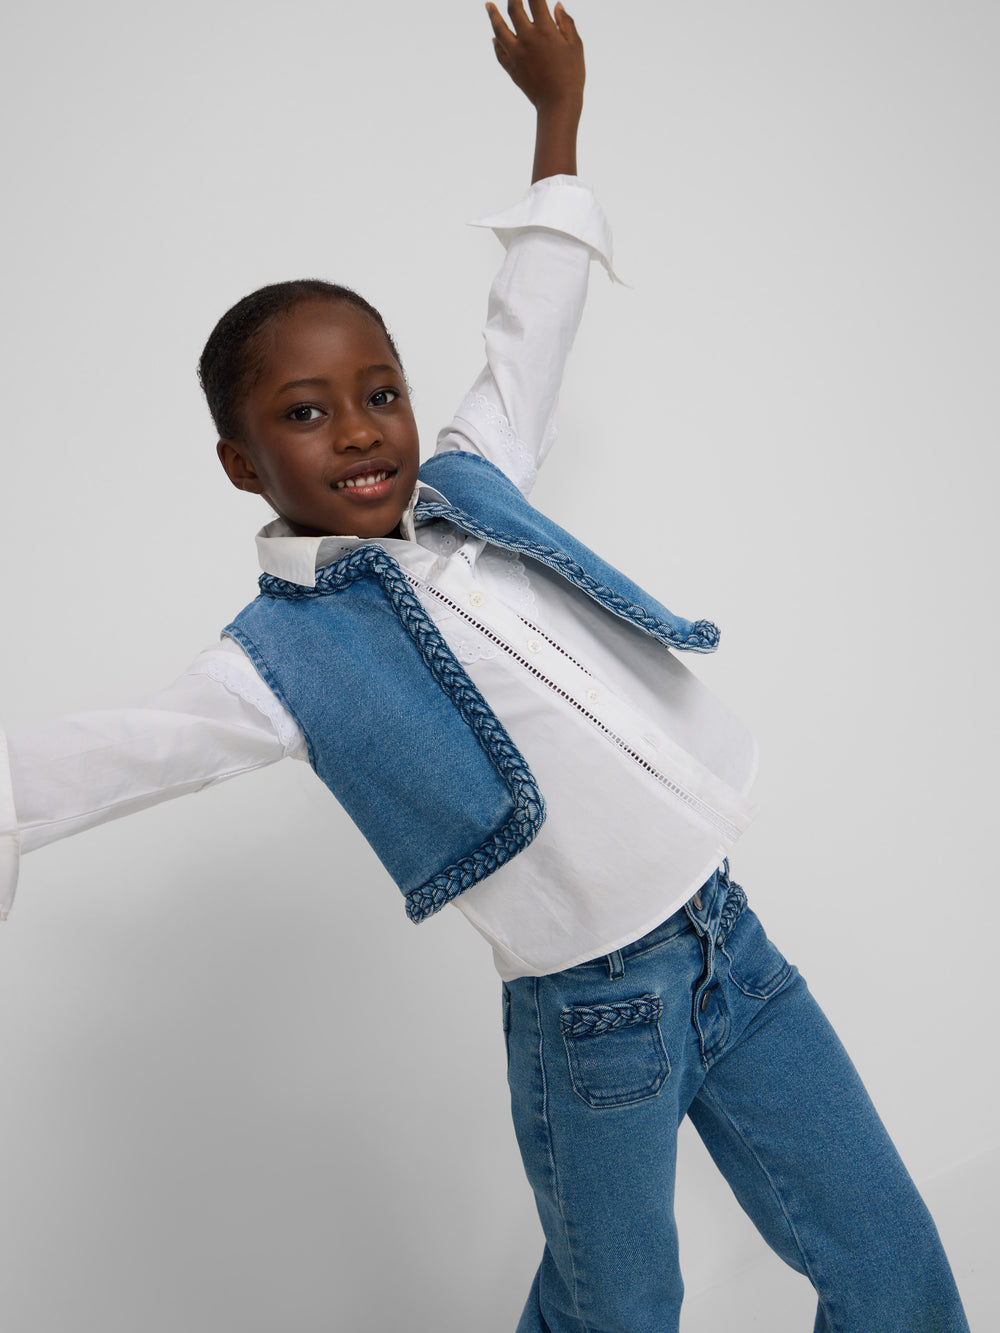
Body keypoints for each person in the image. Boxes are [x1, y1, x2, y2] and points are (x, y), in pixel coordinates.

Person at [0, 3, 971, 1330]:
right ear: (242, 462)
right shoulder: (278, 659)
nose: (358, 430)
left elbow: (532, 327)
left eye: (378, 391)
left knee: (892, 1270)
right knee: (614, 1314)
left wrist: (555, 120)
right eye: (304, 412)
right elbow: (113, 753)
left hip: (729, 945)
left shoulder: (470, 482)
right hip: (598, 1023)